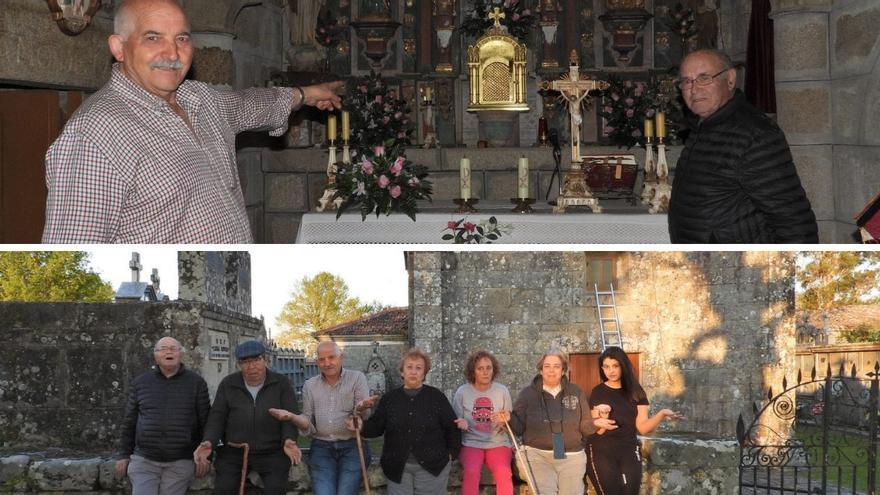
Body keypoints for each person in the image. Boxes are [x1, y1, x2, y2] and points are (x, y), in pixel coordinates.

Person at [42, 0, 343, 244]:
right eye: (152, 37)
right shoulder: (96, 133)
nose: (172, 53)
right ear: (119, 47)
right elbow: (72, 245)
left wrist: (304, 94)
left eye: (181, 38)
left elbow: (250, 104)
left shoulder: (198, 98)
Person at [667, 48, 819, 243]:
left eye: (704, 78)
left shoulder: (753, 133)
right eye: (687, 81)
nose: (694, 89)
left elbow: (793, 219)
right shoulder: (703, 128)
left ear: (730, 79)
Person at [267, 341, 378, 495]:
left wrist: (361, 408)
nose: (327, 363)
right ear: (317, 361)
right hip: (322, 447)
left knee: (346, 492)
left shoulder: (356, 378)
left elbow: (364, 415)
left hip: (353, 444)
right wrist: (292, 417)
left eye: (331, 357)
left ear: (341, 358)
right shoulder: (310, 385)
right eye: (322, 359)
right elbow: (307, 423)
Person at [496, 349, 612, 495]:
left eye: (556, 366)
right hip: (537, 455)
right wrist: (508, 418)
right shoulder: (527, 394)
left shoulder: (576, 392)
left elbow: (585, 425)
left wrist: (597, 423)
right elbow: (518, 429)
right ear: (541, 369)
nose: (551, 371)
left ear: (563, 370)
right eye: (547, 366)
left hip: (572, 456)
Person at [194, 340, 302, 495]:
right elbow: (217, 417)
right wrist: (209, 441)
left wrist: (289, 440)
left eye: (256, 360)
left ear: (265, 359)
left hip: (272, 451)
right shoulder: (228, 384)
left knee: (276, 489)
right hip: (233, 450)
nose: (251, 367)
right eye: (245, 362)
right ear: (238, 364)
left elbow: (290, 415)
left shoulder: (281, 383)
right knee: (224, 488)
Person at [348, 348, 461, 495]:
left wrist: (452, 454)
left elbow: (452, 426)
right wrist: (361, 425)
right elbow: (376, 426)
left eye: (418, 368)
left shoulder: (436, 397)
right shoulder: (390, 399)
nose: (413, 372)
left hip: (433, 466)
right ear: (402, 372)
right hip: (397, 467)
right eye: (409, 367)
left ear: (424, 373)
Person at [116, 337, 210, 495]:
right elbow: (129, 422)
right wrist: (124, 454)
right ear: (155, 356)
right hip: (144, 460)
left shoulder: (196, 383)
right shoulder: (140, 383)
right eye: (163, 349)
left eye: (174, 348)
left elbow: (206, 421)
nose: (169, 352)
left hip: (181, 461)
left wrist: (207, 457)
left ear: (181, 354)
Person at [586, 346, 681, 495]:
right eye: (606, 367)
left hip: (628, 449)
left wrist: (661, 414)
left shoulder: (637, 392)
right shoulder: (598, 391)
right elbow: (597, 429)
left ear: (623, 366)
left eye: (615, 366)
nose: (610, 371)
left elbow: (642, 427)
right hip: (602, 450)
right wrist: (603, 418)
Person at [452, 350, 514, 495]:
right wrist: (460, 423)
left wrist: (505, 419)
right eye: (480, 368)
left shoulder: (502, 391)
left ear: (494, 369)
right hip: (471, 442)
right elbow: (455, 421)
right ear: (473, 371)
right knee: (472, 471)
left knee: (504, 472)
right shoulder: (462, 392)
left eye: (488, 368)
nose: (485, 372)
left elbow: (510, 419)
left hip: (498, 442)